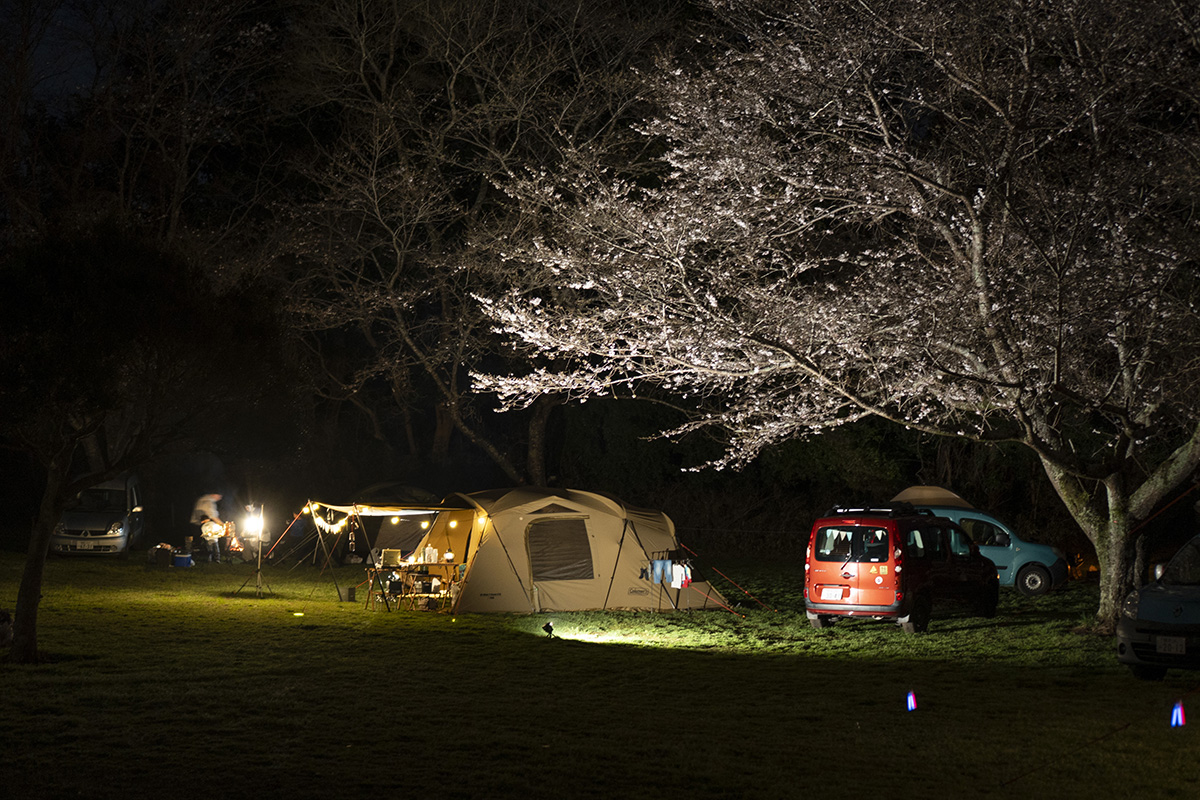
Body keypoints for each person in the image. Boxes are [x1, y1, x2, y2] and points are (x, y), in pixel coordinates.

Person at [190, 493, 224, 563]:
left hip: (213, 537)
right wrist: (224, 525)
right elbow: (213, 516)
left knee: (215, 549)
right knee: (209, 550)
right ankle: (209, 559)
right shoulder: (208, 501)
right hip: (200, 527)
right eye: (218, 495)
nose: (219, 498)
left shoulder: (204, 500)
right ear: (214, 494)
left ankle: (216, 559)